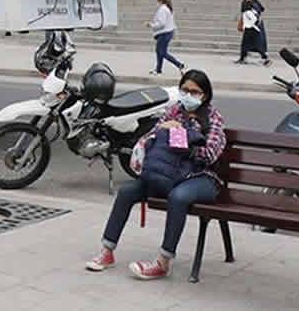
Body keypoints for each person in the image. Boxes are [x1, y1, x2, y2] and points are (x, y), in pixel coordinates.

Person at [86, 69, 226, 280]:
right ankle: (107, 251)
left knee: (178, 197)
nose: (188, 95)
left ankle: (163, 262)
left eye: (195, 92)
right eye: (184, 90)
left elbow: (209, 155)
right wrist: (163, 131)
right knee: (126, 192)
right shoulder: (173, 111)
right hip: (169, 174)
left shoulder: (213, 118)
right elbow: (150, 139)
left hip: (202, 177)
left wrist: (179, 137)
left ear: (204, 95)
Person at [146, 0, 184, 75]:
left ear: (160, 1)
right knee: (158, 51)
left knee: (162, 52)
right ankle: (158, 69)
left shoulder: (162, 10)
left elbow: (162, 23)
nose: (156, 3)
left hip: (164, 33)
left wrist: (151, 25)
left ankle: (179, 65)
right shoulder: (167, 9)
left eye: (157, 1)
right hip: (166, 33)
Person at [236, 0, 270, 65]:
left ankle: (243, 58)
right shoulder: (254, 5)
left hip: (252, 27)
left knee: (248, 44)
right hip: (256, 27)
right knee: (257, 44)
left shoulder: (247, 5)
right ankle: (264, 57)